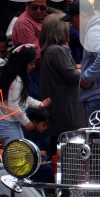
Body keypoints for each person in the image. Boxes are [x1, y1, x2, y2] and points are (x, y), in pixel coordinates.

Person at [65, 0, 100, 126]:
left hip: (99, 98)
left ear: (82, 15)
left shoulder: (94, 31)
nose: (72, 25)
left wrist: (86, 77)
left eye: (72, 20)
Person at [40, 10, 86, 147]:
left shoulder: (52, 50)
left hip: (62, 110)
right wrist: (82, 69)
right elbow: (72, 76)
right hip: (67, 113)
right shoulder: (56, 50)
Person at [0, 44, 51, 142]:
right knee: (15, 152)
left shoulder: (16, 77)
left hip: (9, 120)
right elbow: (13, 106)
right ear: (22, 63)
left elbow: (24, 97)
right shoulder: (17, 80)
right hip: (5, 121)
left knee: (19, 149)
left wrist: (40, 104)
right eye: (31, 63)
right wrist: (26, 122)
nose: (34, 66)